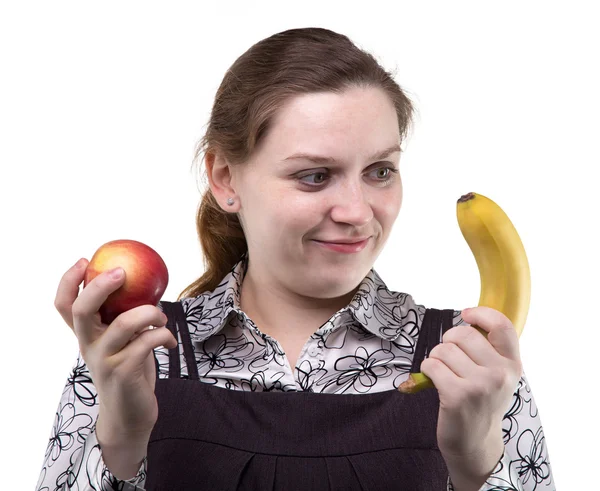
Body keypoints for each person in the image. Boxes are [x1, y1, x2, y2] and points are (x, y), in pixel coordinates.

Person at [37, 27, 555, 491]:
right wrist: (124, 440)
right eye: (314, 175)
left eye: (379, 171)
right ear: (225, 179)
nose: (356, 212)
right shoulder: (132, 355)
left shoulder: (471, 363)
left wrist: (475, 463)